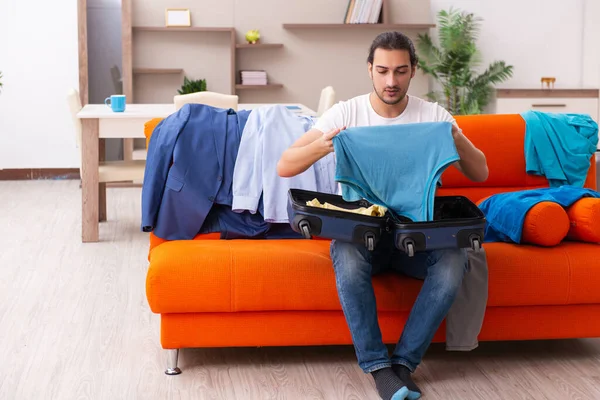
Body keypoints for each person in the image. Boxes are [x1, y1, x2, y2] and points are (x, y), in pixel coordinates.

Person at [277, 31, 489, 400]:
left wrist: (455, 139)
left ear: (414, 71)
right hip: (363, 237)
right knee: (345, 253)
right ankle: (378, 368)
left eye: (401, 71)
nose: (391, 81)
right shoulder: (346, 113)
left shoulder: (432, 116)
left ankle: (403, 364)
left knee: (456, 260)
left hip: (417, 239)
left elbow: (481, 173)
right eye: (383, 70)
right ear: (370, 70)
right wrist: (324, 144)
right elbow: (285, 165)